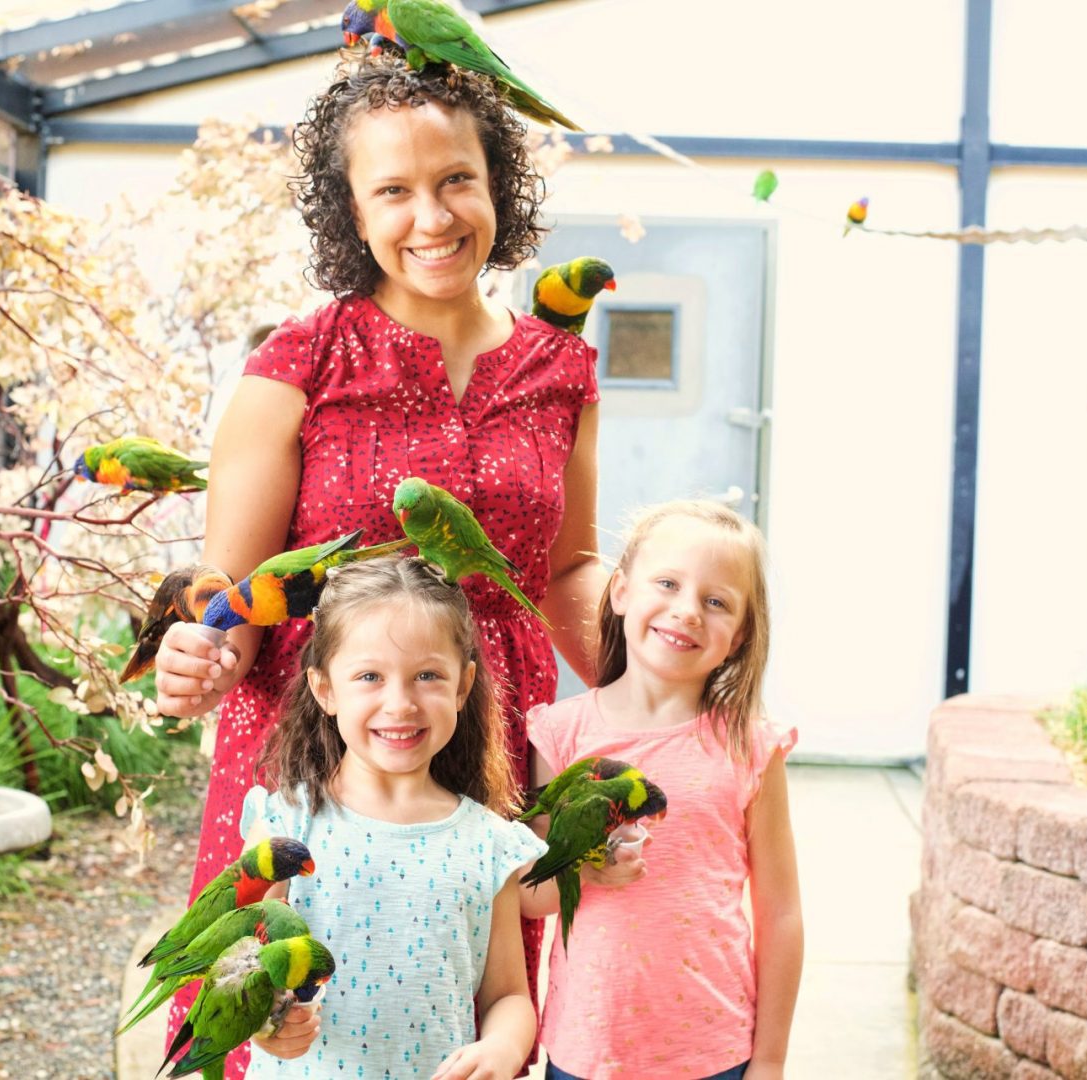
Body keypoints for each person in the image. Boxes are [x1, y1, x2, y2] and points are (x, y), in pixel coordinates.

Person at [153, 55, 604, 1072]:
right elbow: (232, 592)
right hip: (314, 758)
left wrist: (666, 686)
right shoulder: (298, 362)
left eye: (455, 179)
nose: (431, 216)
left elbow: (565, 572)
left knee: (472, 1021)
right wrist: (205, 653)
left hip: (481, 753)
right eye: (392, 190)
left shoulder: (561, 369)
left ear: (498, 186)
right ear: (351, 214)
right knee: (288, 1018)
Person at [520, 500, 802, 1080]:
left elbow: (781, 913)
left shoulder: (750, 746)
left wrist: (770, 1060)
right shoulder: (561, 733)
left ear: (742, 634)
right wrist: (586, 872)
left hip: (717, 1052)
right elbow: (529, 895)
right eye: (668, 583)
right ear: (620, 592)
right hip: (587, 1050)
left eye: (716, 601)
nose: (687, 611)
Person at [238, 557, 546, 1079]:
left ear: (463, 685)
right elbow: (242, 972)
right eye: (369, 677)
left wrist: (502, 1049)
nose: (400, 703)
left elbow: (509, 996)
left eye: (427, 675)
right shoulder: (286, 827)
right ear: (325, 689)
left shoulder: (489, 843)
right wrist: (270, 1025)